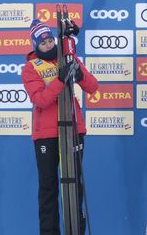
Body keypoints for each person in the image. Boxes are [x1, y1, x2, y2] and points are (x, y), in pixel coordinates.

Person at [21, 19, 98, 235]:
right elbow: (41, 100)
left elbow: (93, 86)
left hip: (73, 129)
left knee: (74, 186)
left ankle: (76, 231)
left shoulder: (68, 58)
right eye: (42, 42)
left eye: (49, 39)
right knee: (48, 187)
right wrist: (60, 80)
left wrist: (79, 74)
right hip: (46, 134)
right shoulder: (30, 68)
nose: (47, 44)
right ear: (35, 45)